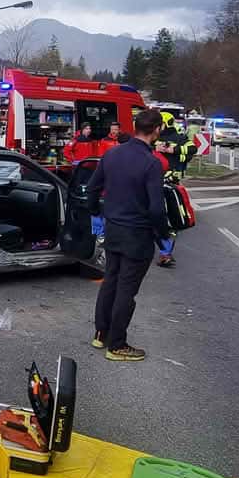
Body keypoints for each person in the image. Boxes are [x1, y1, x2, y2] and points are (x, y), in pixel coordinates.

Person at [83, 108, 169, 362]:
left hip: (114, 229)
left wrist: (96, 212)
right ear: (156, 130)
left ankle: (101, 333)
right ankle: (117, 345)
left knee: (110, 281)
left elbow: (92, 188)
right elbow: (156, 208)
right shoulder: (151, 163)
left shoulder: (112, 154)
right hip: (138, 234)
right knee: (126, 290)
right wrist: (163, 234)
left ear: (134, 127)